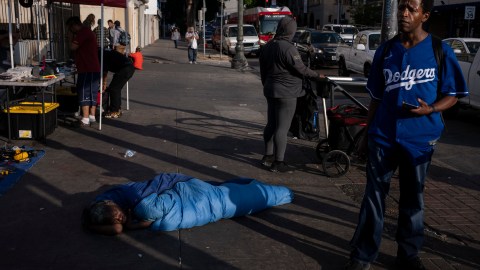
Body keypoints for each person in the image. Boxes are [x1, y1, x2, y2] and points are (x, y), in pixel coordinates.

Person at [345, 0, 469, 269]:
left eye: (411, 9)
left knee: (413, 198)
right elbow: (376, 98)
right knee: (373, 196)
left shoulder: (440, 50)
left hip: (419, 140)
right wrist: (366, 135)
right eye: (402, 7)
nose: (404, 13)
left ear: (424, 15)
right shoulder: (386, 50)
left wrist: (432, 109)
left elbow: (454, 95)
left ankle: (408, 255)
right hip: (383, 136)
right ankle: (363, 255)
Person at [82, 173, 293, 235]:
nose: (119, 218)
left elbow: (152, 209)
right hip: (190, 193)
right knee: (226, 193)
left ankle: (282, 193)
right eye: (115, 219)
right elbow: (118, 228)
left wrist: (136, 224)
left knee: (225, 195)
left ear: (111, 203)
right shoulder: (104, 210)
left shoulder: (135, 194)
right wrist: (129, 224)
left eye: (117, 214)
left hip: (182, 185)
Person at [258, 16, 323, 173]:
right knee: (282, 127)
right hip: (287, 93)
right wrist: (317, 75)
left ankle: (267, 156)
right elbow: (301, 69)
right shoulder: (288, 48)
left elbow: (263, 71)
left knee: (271, 124)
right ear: (290, 31)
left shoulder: (268, 46)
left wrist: (267, 85)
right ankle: (278, 162)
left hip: (270, 90)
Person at [66, 16, 100, 127]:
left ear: (74, 25)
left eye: (70, 28)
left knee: (84, 92)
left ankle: (85, 118)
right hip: (92, 67)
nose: (70, 31)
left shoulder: (82, 33)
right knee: (92, 92)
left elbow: (73, 47)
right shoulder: (87, 32)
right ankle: (92, 116)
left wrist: (70, 37)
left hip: (87, 67)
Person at [101, 49, 135, 118]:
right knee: (115, 88)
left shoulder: (101, 55)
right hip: (127, 67)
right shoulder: (104, 52)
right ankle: (117, 109)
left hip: (125, 69)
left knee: (114, 89)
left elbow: (104, 72)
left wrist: (104, 84)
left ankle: (115, 111)